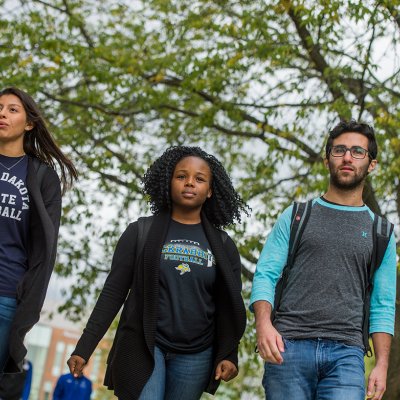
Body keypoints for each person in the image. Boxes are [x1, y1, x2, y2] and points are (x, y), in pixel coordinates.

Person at [67, 146, 249, 400]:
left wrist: (229, 354)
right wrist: (84, 348)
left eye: (199, 179)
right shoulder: (139, 232)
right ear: (168, 182)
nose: (189, 183)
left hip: (196, 354)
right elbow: (112, 293)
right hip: (143, 344)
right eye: (181, 176)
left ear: (209, 191)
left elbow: (229, 306)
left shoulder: (223, 246)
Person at [250, 120, 396, 400]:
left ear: (372, 164)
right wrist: (263, 325)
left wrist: (381, 364)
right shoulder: (296, 216)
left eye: (357, 151)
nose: (347, 157)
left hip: (347, 356)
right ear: (327, 159)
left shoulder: (382, 233)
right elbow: (266, 275)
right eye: (339, 150)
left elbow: (383, 304)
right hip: (288, 348)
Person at [0, 87, 77, 374]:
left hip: (6, 295)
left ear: (29, 123)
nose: (2, 113)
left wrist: (27, 299)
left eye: (12, 109)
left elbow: (46, 249)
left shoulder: (42, 177)